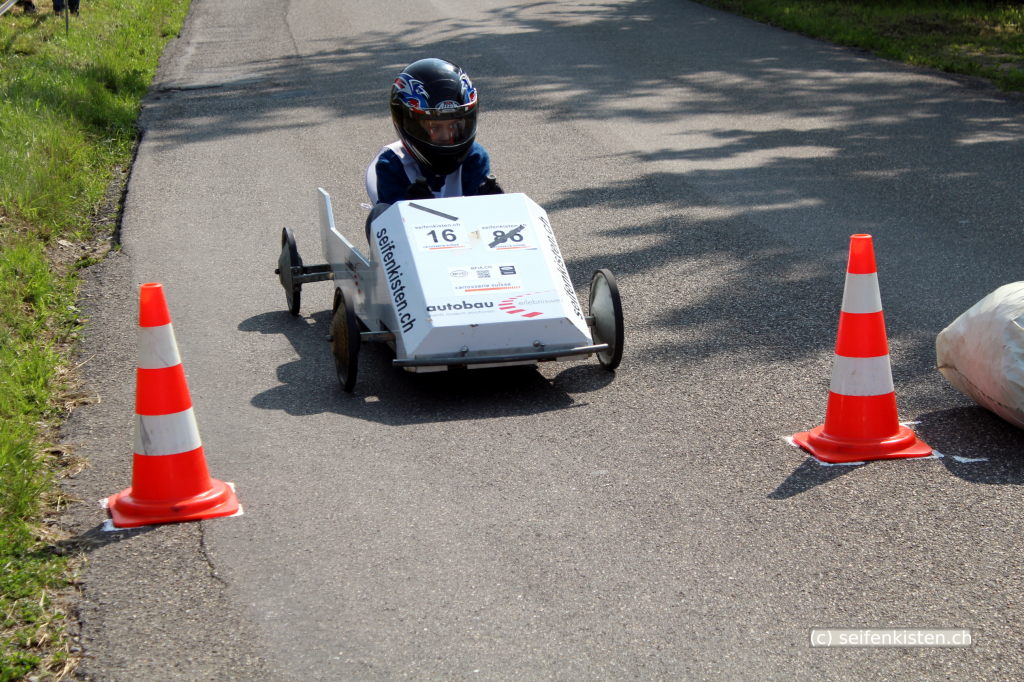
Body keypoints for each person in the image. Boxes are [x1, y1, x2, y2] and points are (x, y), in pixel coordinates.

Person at [364, 58, 502, 237]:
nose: (446, 136)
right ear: (408, 123)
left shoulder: (474, 157)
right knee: (380, 212)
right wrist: (410, 210)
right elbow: (389, 233)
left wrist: (494, 206)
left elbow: (484, 227)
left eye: (454, 126)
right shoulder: (392, 164)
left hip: (470, 244)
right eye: (434, 127)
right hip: (412, 248)